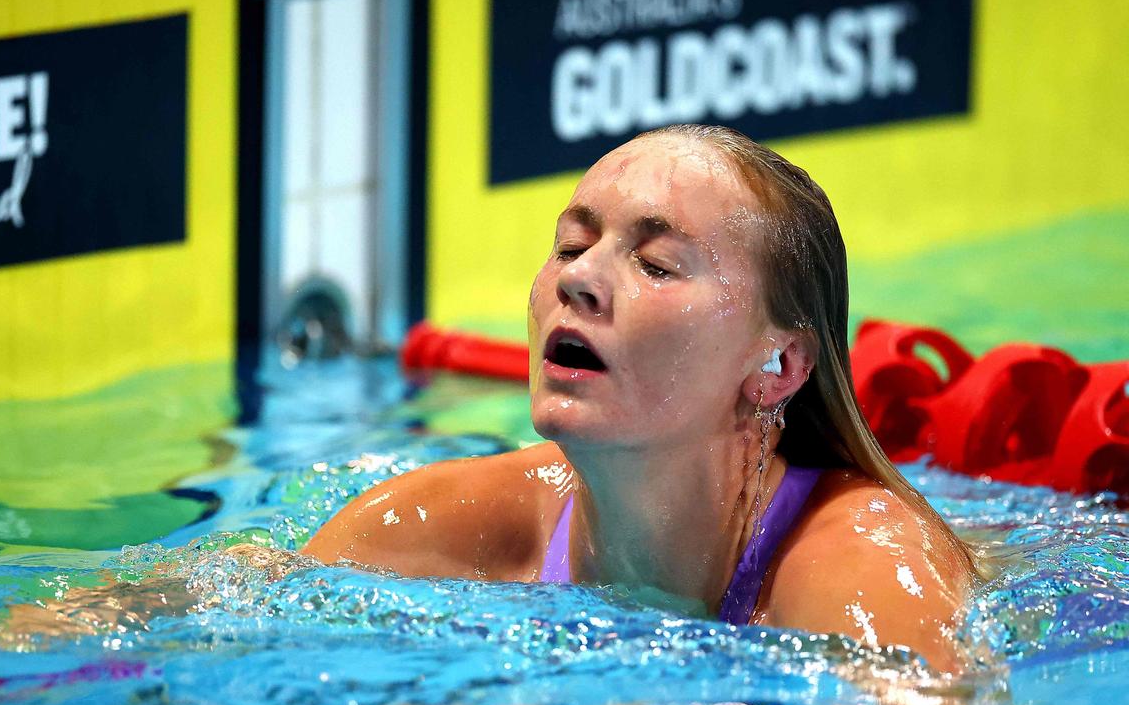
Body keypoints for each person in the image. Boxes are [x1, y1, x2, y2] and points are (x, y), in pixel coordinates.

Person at [302, 125, 978, 672]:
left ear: (778, 367)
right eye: (571, 246)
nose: (581, 279)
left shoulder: (866, 566)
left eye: (655, 265)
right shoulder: (439, 526)